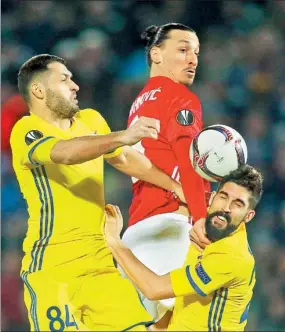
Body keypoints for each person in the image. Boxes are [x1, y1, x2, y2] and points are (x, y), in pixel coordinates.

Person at [10, 54, 186, 331]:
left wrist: (176, 187)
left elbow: (125, 159)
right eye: (65, 79)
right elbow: (65, 153)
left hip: (101, 268)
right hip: (53, 271)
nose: (75, 86)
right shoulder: (26, 130)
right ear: (38, 90)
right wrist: (121, 136)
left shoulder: (91, 120)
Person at [105, 165, 263, 331]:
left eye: (237, 204)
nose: (226, 208)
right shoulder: (209, 225)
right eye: (224, 197)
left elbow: (154, 288)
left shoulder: (232, 258)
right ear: (213, 198)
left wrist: (114, 240)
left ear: (249, 215)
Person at [121, 22, 210, 318]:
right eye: (183, 50)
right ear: (156, 54)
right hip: (171, 228)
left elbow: (129, 159)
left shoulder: (137, 104)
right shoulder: (180, 97)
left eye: (196, 52)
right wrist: (202, 221)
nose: (193, 59)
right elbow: (189, 164)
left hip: (136, 232)